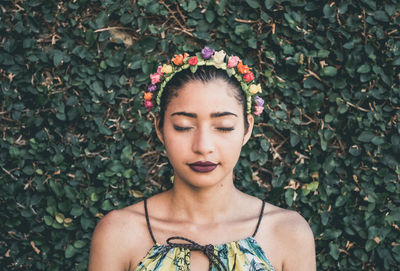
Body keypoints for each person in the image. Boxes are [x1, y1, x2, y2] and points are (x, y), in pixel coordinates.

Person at [89, 47, 316, 271]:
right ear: (159, 128)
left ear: (247, 129)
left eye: (224, 127)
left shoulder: (287, 232)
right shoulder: (119, 233)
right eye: (183, 127)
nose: (203, 147)